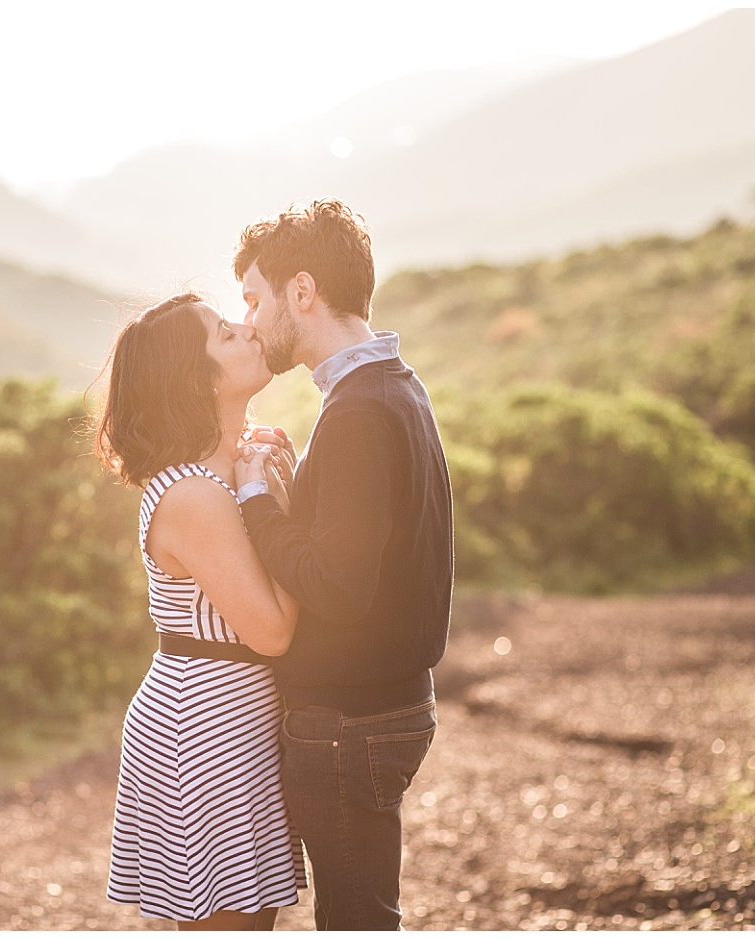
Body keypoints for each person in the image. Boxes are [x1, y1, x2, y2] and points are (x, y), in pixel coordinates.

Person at [230, 200, 454, 930]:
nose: (253, 322)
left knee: (357, 921)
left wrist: (256, 498)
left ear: (302, 292)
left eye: (255, 300)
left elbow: (337, 584)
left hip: (352, 721)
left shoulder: (358, 409)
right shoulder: (395, 386)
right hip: (386, 706)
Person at [91, 292, 307, 930]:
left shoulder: (221, 479)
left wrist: (263, 483)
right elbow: (271, 632)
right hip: (207, 729)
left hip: (231, 718)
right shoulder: (194, 494)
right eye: (224, 333)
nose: (247, 330)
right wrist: (279, 504)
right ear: (198, 379)